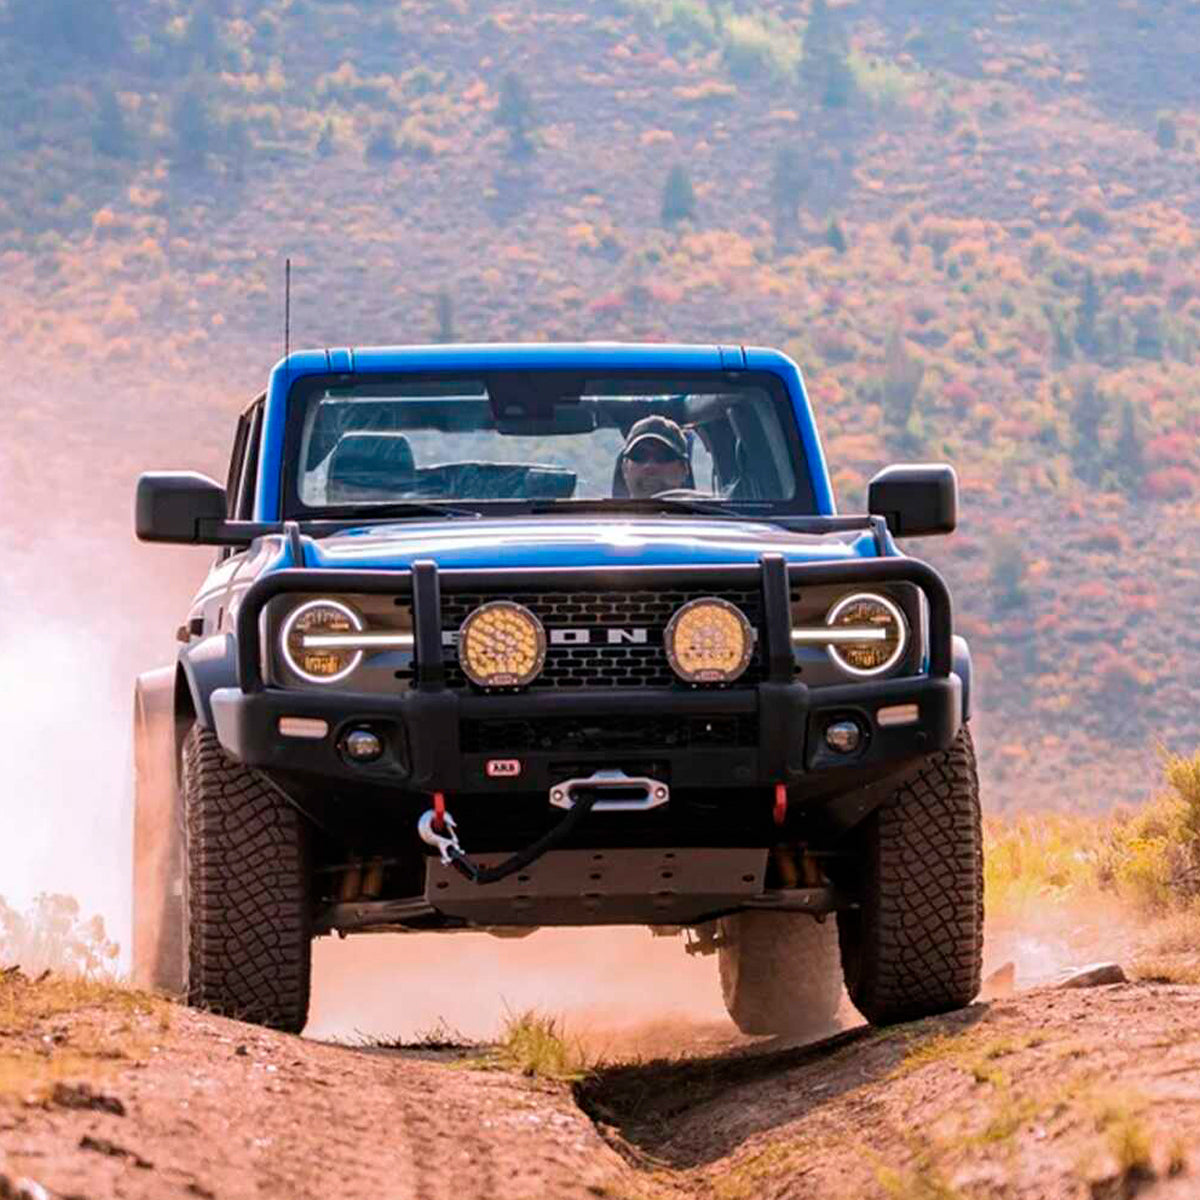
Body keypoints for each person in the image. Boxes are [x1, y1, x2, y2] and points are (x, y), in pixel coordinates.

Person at [615, 415, 693, 498]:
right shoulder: (605, 506)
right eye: (639, 456)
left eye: (663, 457)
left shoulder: (702, 506)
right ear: (624, 468)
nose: (650, 466)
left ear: (684, 469)